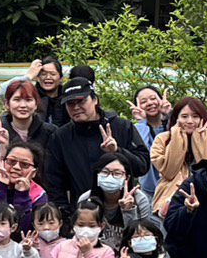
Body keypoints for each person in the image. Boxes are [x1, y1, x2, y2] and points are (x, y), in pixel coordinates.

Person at [42, 79, 148, 214]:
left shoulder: (121, 126)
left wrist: (118, 152)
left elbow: (142, 166)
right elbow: (54, 183)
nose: (76, 107)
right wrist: (66, 217)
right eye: (70, 103)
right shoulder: (60, 137)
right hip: (83, 217)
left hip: (125, 210)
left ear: (95, 100)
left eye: (81, 101)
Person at [149, 97, 207, 215]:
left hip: (202, 203)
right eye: (184, 116)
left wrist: (201, 140)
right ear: (176, 118)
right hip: (168, 203)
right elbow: (169, 172)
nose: (190, 121)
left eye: (195, 116)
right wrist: (176, 137)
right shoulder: (162, 139)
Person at [0, 79, 56, 171]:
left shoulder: (50, 132)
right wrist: (4, 146)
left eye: (28, 100)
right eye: (17, 100)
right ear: (7, 104)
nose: (23, 105)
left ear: (36, 104)